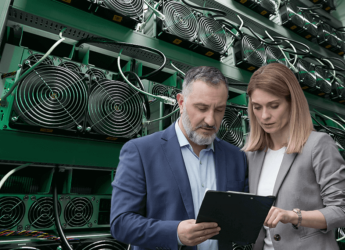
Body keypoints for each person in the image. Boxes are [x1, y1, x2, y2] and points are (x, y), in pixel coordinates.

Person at [110, 66, 249, 250]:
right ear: (181, 102)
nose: (210, 120)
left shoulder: (236, 157)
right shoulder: (140, 151)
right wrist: (175, 233)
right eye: (202, 108)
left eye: (219, 110)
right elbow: (121, 223)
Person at [243, 63, 345, 250]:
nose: (264, 116)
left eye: (274, 106)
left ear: (292, 103)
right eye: (257, 107)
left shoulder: (318, 145)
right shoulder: (251, 153)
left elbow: (341, 211)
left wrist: (294, 216)